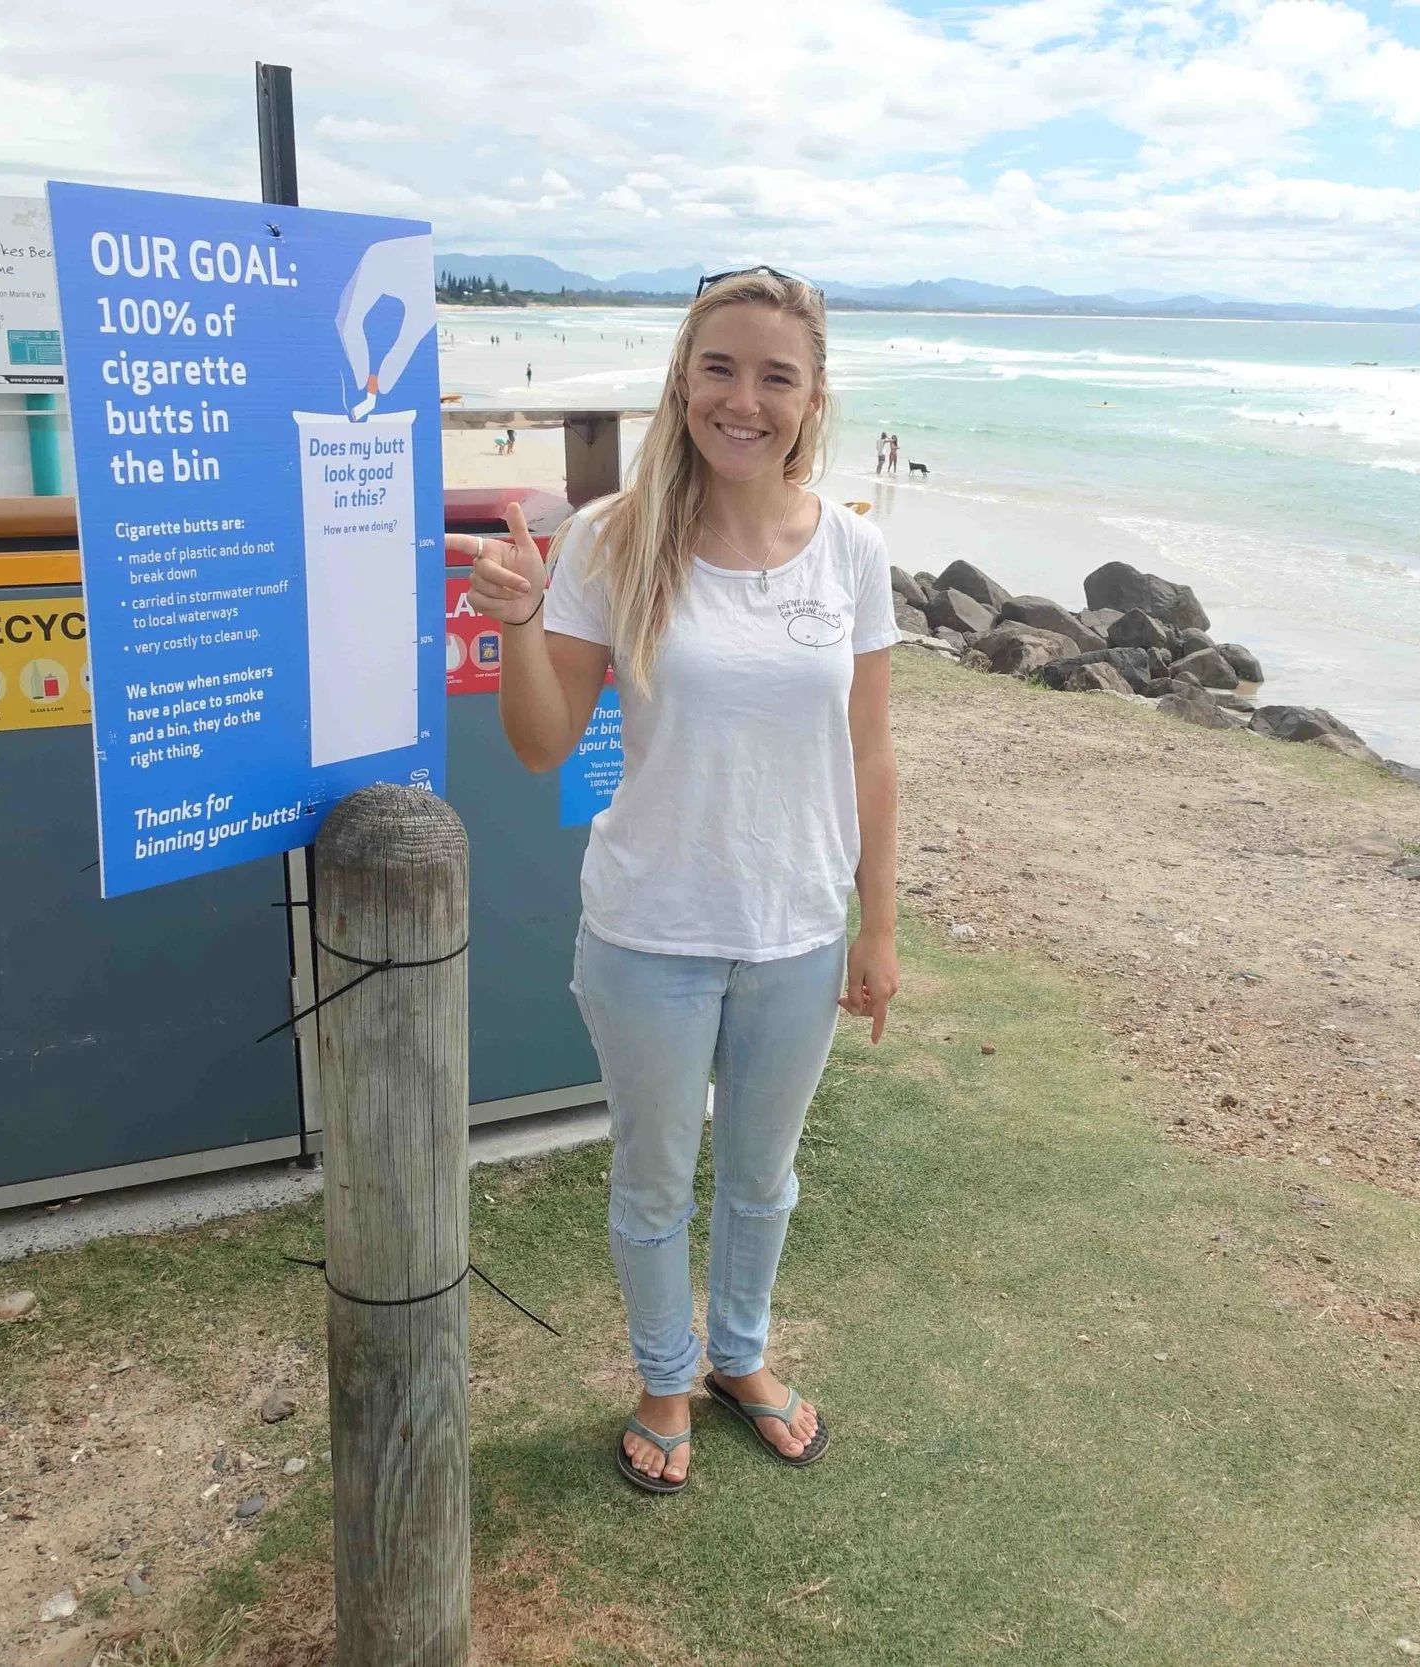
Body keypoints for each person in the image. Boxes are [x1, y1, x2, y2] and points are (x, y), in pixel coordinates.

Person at [453, 267, 899, 1495]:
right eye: (720, 368)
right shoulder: (613, 536)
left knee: (763, 1177)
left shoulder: (853, 549)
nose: (742, 399)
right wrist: (520, 624)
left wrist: (878, 931)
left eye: (774, 376)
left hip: (799, 927)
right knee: (652, 1177)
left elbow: (869, 753)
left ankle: (739, 1355)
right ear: (682, 381)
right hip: (650, 925)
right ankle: (664, 1372)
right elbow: (544, 743)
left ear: (811, 401)